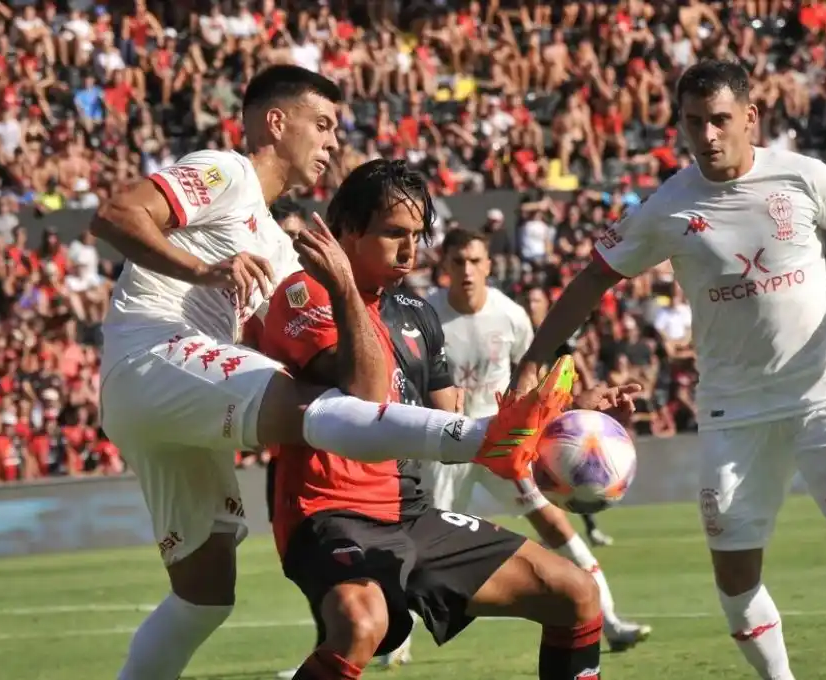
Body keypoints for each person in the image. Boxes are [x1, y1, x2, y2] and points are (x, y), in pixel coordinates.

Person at [91, 66, 564, 680]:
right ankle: (483, 440)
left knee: (204, 597)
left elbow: (358, 395)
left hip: (170, 403)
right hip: (152, 353)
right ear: (274, 121)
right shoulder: (226, 171)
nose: (333, 141)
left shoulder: (281, 247)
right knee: (304, 404)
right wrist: (204, 271)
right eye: (322, 124)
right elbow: (116, 214)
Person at [514, 59, 826, 680]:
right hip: (732, 409)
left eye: (720, 119)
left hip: (821, 392)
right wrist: (538, 357)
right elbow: (592, 279)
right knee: (736, 575)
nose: (707, 134)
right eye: (694, 122)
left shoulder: (802, 177)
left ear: (750, 117)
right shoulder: (667, 207)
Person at [260, 159, 610, 680]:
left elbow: (452, 422)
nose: (411, 250)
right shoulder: (304, 295)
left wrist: (564, 427)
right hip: (328, 513)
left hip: (411, 512)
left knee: (576, 594)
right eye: (393, 234)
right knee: (360, 625)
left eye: (418, 235)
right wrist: (345, 290)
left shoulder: (417, 312)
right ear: (348, 231)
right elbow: (365, 393)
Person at [425, 228, 651, 651]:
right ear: (445, 266)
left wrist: (566, 411)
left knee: (553, 522)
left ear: (489, 265)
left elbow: (540, 378)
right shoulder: (428, 314)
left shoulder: (509, 314)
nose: (467, 270)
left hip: (503, 445)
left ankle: (612, 621)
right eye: (458, 262)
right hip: (445, 446)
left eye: (475, 261)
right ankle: (391, 645)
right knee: (419, 540)